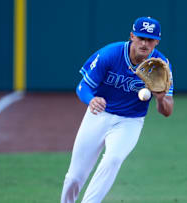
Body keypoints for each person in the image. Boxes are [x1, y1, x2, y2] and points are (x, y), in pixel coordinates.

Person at [60, 16, 174, 203]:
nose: (145, 43)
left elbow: (167, 110)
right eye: (141, 37)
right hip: (98, 115)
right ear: (132, 36)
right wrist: (91, 99)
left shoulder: (160, 66)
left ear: (157, 41)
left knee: (112, 160)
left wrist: (161, 98)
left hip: (130, 122)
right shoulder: (111, 54)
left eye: (150, 39)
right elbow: (83, 87)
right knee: (74, 177)